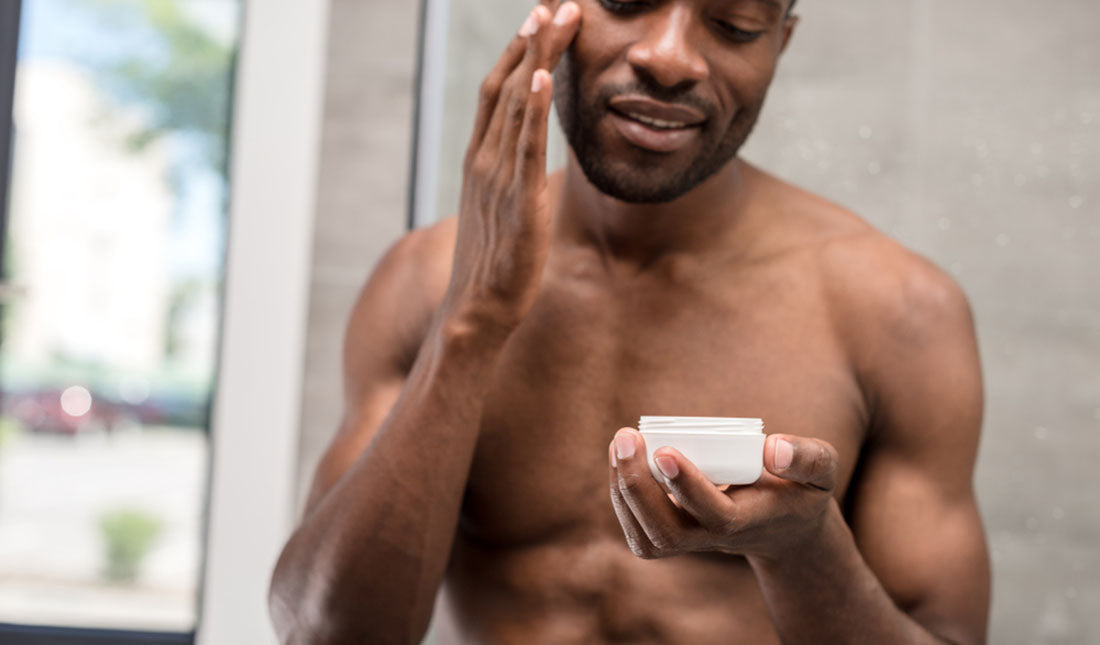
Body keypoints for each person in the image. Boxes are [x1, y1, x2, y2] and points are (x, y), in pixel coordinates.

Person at [269, 1, 991, 643]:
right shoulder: (424, 281)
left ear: (780, 43)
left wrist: (803, 549)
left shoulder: (900, 313)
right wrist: (471, 321)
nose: (669, 56)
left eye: (734, 25)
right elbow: (322, 632)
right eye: (625, 0)